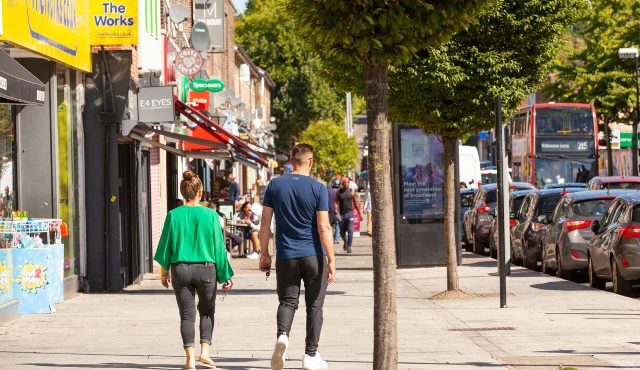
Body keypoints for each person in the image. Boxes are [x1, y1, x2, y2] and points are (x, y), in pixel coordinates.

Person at [258, 143, 335, 370]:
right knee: (315, 306)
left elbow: (265, 222)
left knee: (288, 302)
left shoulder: (275, 185)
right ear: (310, 161)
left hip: (286, 256)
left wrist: (264, 253)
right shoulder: (318, 188)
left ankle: (283, 336)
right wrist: (331, 260)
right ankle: (310, 356)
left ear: (291, 161)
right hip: (313, 255)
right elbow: (324, 227)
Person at [154, 171, 234, 370]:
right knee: (207, 311)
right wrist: (225, 275)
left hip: (180, 269)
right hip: (206, 269)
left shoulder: (173, 215)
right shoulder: (211, 215)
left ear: (183, 193)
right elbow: (218, 248)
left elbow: (166, 245)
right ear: (200, 192)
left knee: (187, 315)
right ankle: (204, 353)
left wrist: (164, 272)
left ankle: (189, 359)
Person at [335, 177, 362, 254]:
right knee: (342, 233)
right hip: (342, 215)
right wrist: (335, 209)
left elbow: (356, 203)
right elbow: (336, 202)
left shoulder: (352, 192)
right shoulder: (339, 192)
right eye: (344, 182)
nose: (346, 184)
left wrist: (360, 213)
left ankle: (349, 246)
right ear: (342, 183)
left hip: (350, 214)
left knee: (350, 231)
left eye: (347, 182)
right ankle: (345, 241)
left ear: (349, 183)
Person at [327, 178, 342, 245]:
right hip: (338, 212)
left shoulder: (328, 191)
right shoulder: (340, 191)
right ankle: (336, 239)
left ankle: (330, 238)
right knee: (337, 225)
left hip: (329, 211)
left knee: (330, 225)